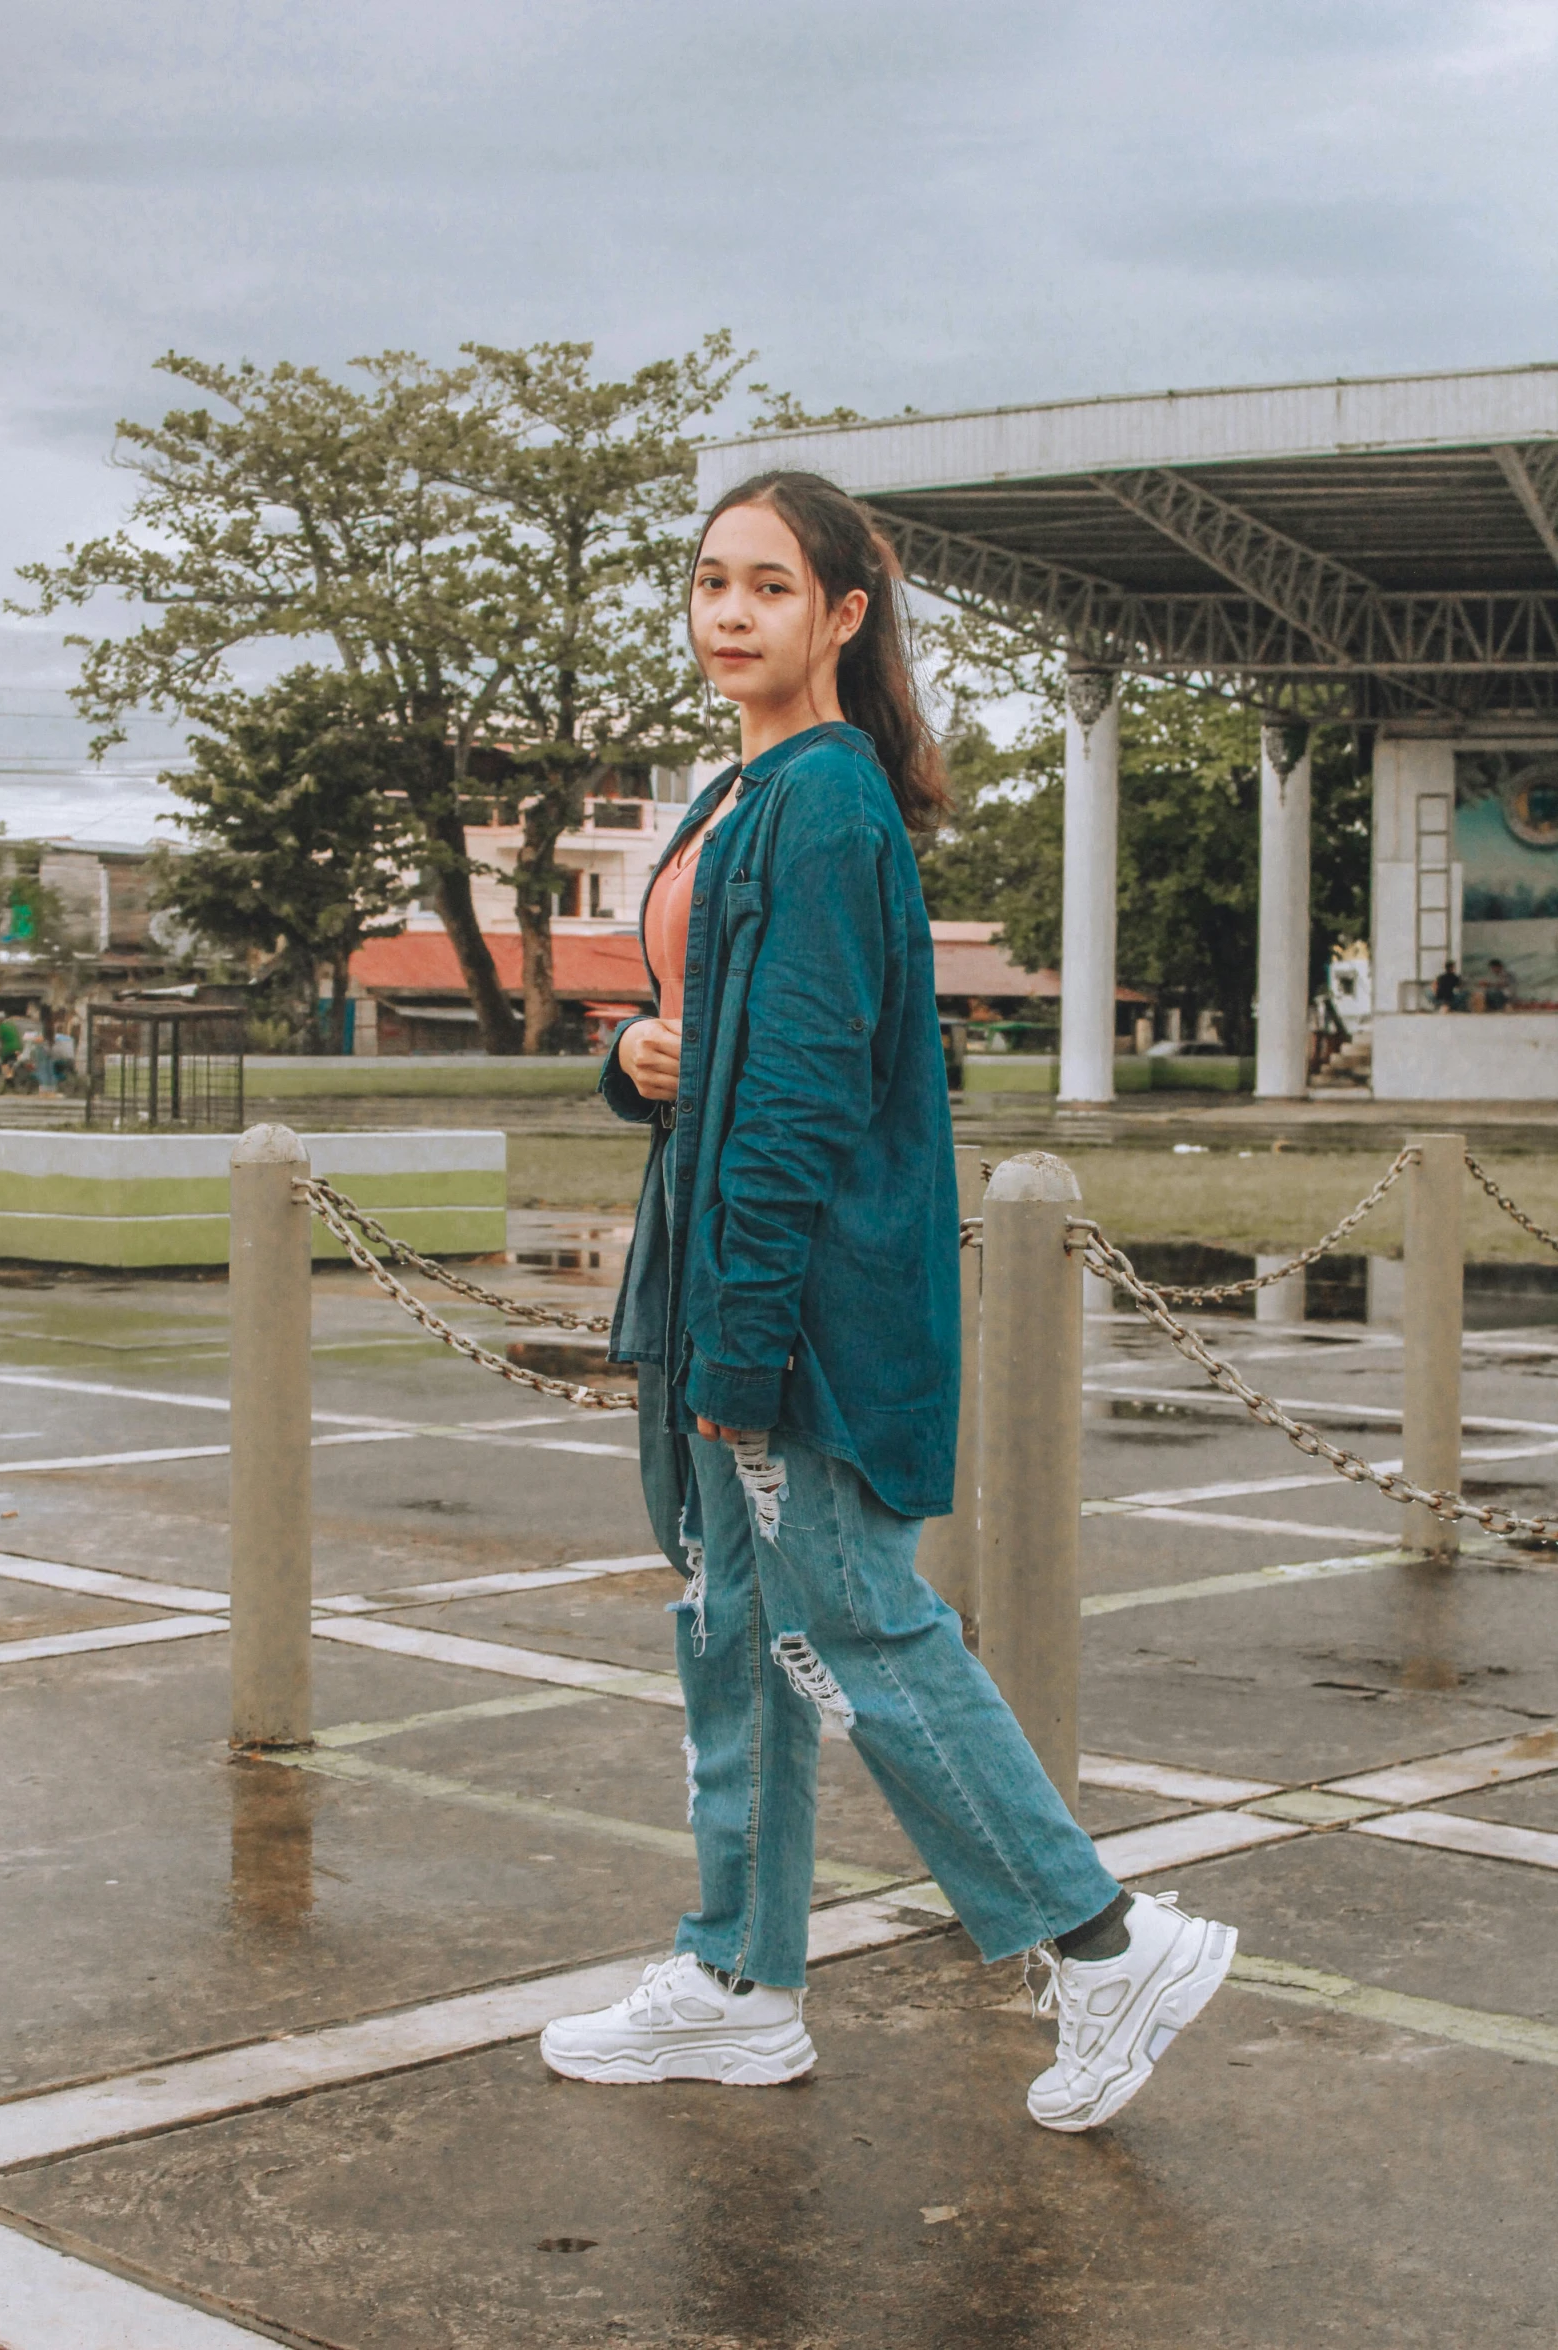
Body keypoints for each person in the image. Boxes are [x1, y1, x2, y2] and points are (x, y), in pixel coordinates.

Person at [538, 471, 1235, 2131]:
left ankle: (1103, 1938)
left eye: (767, 586)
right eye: (710, 580)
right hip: (716, 1274)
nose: (728, 611)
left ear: (843, 614)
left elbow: (799, 1106)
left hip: (788, 1303)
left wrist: (742, 1341)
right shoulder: (738, 793)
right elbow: (712, 1052)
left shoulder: (828, 804)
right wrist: (635, 1066)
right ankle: (737, 1981)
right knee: (731, 1633)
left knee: (856, 1619)